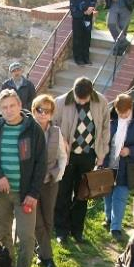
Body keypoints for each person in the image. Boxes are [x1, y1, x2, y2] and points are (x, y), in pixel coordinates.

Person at [0, 88, 47, 267]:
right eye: (4, 107)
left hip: (25, 193)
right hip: (1, 194)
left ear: (20, 105)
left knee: (26, 236)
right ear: (0, 109)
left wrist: (34, 193)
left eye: (12, 106)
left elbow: (41, 164)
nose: (8, 111)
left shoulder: (33, 129)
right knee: (3, 236)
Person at [54, 77, 111, 243]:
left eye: (84, 99)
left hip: (88, 155)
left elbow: (106, 128)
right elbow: (53, 126)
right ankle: (61, 231)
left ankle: (77, 230)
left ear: (91, 93)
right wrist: (61, 141)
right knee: (63, 194)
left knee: (82, 194)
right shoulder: (61, 102)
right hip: (67, 156)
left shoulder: (101, 101)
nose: (81, 101)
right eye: (78, 99)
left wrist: (102, 152)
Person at [102, 93, 134, 240]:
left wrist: (130, 151)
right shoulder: (110, 117)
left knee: (120, 195)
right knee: (107, 192)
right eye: (120, 114)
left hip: (127, 165)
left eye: (125, 114)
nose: (122, 116)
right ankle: (108, 218)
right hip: (109, 161)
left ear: (131, 108)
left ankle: (116, 227)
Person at [31, 95, 67, 267]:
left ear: (52, 114)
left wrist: (57, 175)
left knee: (48, 220)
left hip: (50, 182)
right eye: (39, 109)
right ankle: (48, 257)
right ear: (34, 111)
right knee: (37, 221)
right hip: (31, 184)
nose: (43, 114)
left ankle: (41, 252)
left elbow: (62, 156)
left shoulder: (56, 132)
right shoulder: (27, 131)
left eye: (47, 111)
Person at [67, 0, 98, 65]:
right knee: (78, 36)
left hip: (89, 14)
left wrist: (91, 7)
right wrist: (85, 8)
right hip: (78, 13)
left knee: (87, 36)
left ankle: (86, 57)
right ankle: (78, 58)